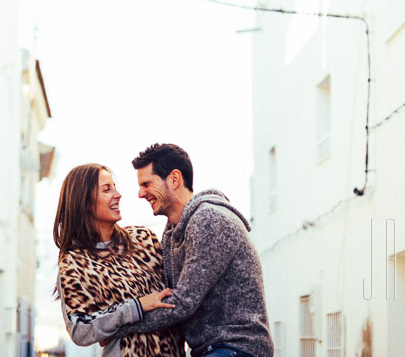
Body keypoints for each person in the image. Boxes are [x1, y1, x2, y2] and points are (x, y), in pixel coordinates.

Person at [109, 143, 274, 357]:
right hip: (208, 349)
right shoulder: (172, 231)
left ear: (174, 179)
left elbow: (181, 303)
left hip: (237, 347)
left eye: (147, 183)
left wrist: (116, 327)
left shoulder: (209, 219)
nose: (141, 193)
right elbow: (165, 294)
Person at [54, 162, 185, 357]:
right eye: (107, 189)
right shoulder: (74, 263)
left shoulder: (144, 239)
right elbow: (80, 330)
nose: (118, 194)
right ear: (85, 202)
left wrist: (115, 325)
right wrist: (136, 307)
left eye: (115, 187)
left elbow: (178, 293)